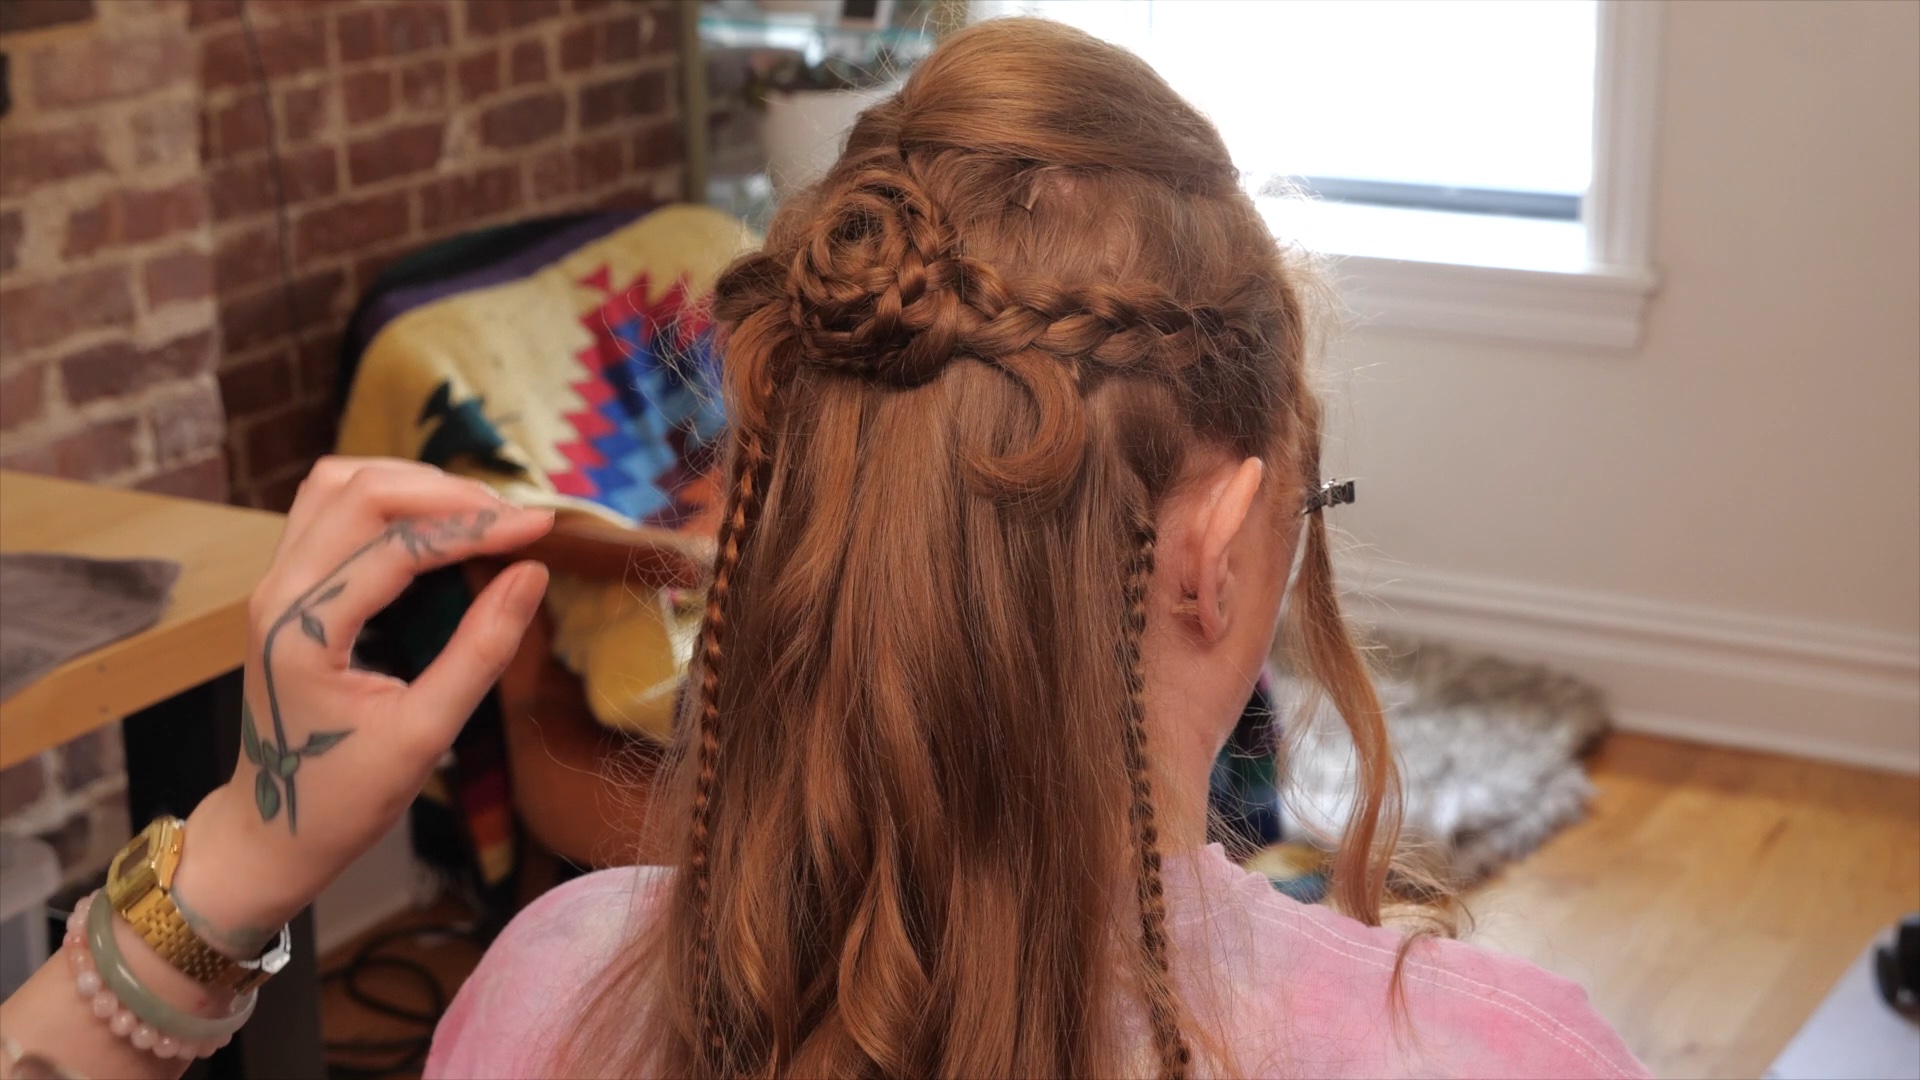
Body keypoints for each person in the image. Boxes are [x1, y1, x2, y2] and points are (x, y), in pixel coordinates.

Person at [0, 18, 1647, 1080]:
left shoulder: (549, 994)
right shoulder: (1499, 1057)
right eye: (1308, 512)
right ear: (1218, 546)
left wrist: (228, 862)